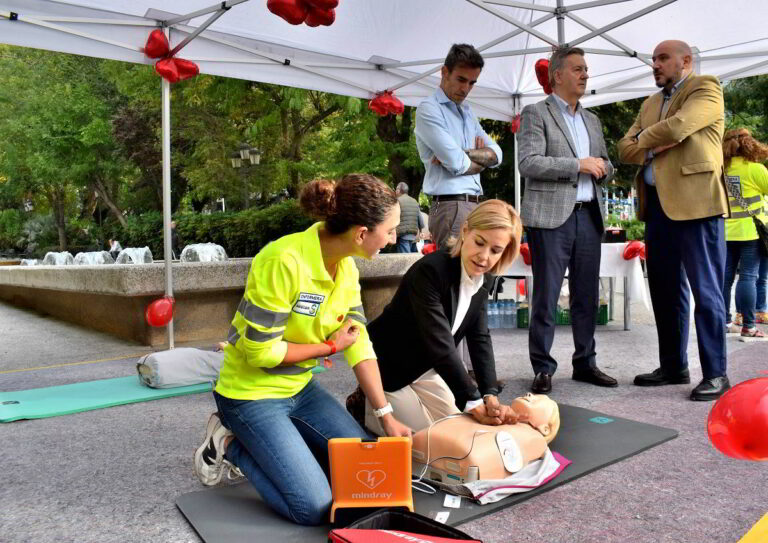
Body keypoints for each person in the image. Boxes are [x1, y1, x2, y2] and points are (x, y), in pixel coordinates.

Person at [193, 174, 411, 526]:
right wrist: (327, 346)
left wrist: (386, 415)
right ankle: (230, 442)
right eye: (390, 230)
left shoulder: (347, 268)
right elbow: (260, 353)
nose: (394, 238)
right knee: (313, 507)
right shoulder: (282, 260)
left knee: (360, 476)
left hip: (301, 390)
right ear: (361, 233)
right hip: (250, 394)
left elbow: (360, 343)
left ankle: (285, 448)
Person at [618, 40, 730, 401]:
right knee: (665, 290)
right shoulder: (650, 102)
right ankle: (673, 366)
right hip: (658, 210)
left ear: (686, 61)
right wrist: (650, 147)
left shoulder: (706, 87)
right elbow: (624, 148)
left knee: (706, 292)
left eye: (663, 58)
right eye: (653, 59)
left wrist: (644, 139)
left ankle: (716, 373)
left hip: (698, 206)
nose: (655, 64)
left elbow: (681, 126)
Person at [363, 199, 523, 436]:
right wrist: (472, 399)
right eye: (479, 243)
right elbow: (440, 342)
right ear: (465, 231)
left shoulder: (485, 277)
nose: (484, 257)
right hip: (388, 368)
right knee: (431, 439)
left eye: (496, 251)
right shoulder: (430, 271)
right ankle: (365, 405)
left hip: (425, 368)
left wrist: (490, 393)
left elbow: (479, 337)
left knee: (462, 430)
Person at [517, 47, 617, 394]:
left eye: (586, 68)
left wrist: (604, 168)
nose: (585, 74)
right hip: (551, 219)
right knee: (545, 296)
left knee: (587, 295)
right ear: (557, 75)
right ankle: (543, 368)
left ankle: (585, 363)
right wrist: (578, 164)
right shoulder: (536, 113)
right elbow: (528, 162)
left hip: (589, 215)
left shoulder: (592, 120)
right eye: (578, 69)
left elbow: (603, 161)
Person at [415, 43, 503, 250]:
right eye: (461, 79)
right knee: (454, 277)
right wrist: (480, 159)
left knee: (469, 278)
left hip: (469, 204)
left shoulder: (467, 112)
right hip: (450, 206)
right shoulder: (429, 109)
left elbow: (497, 155)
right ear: (445, 72)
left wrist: (464, 153)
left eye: (472, 83)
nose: (466, 88)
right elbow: (457, 164)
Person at [721, 129, 768, 339]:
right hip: (750, 232)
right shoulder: (756, 169)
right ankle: (749, 326)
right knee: (748, 277)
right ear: (750, 145)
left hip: (724, 232)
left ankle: (723, 322)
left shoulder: (719, 170)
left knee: (725, 278)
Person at [394, 182, 424, 253]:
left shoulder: (397, 201)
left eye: (396, 189)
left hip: (402, 235)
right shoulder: (414, 201)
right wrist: (421, 231)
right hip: (414, 235)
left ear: (398, 190)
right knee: (411, 258)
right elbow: (420, 219)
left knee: (404, 260)